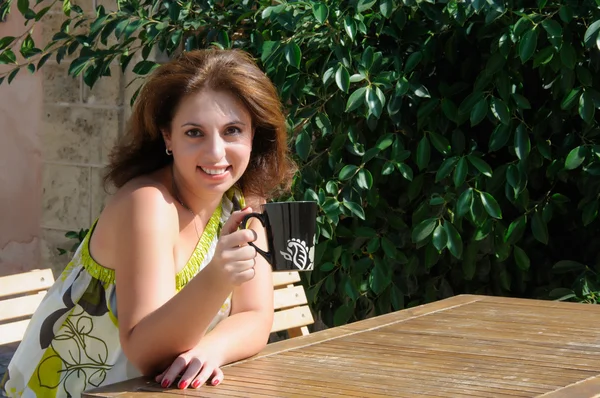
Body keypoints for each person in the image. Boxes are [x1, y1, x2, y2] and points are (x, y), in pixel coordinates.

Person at [1, 48, 295, 398]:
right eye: (194, 133)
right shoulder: (148, 204)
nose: (216, 153)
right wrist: (218, 276)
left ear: (253, 135)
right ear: (167, 137)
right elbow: (147, 353)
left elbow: (256, 315)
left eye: (232, 130)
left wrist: (210, 350)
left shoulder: (244, 202)